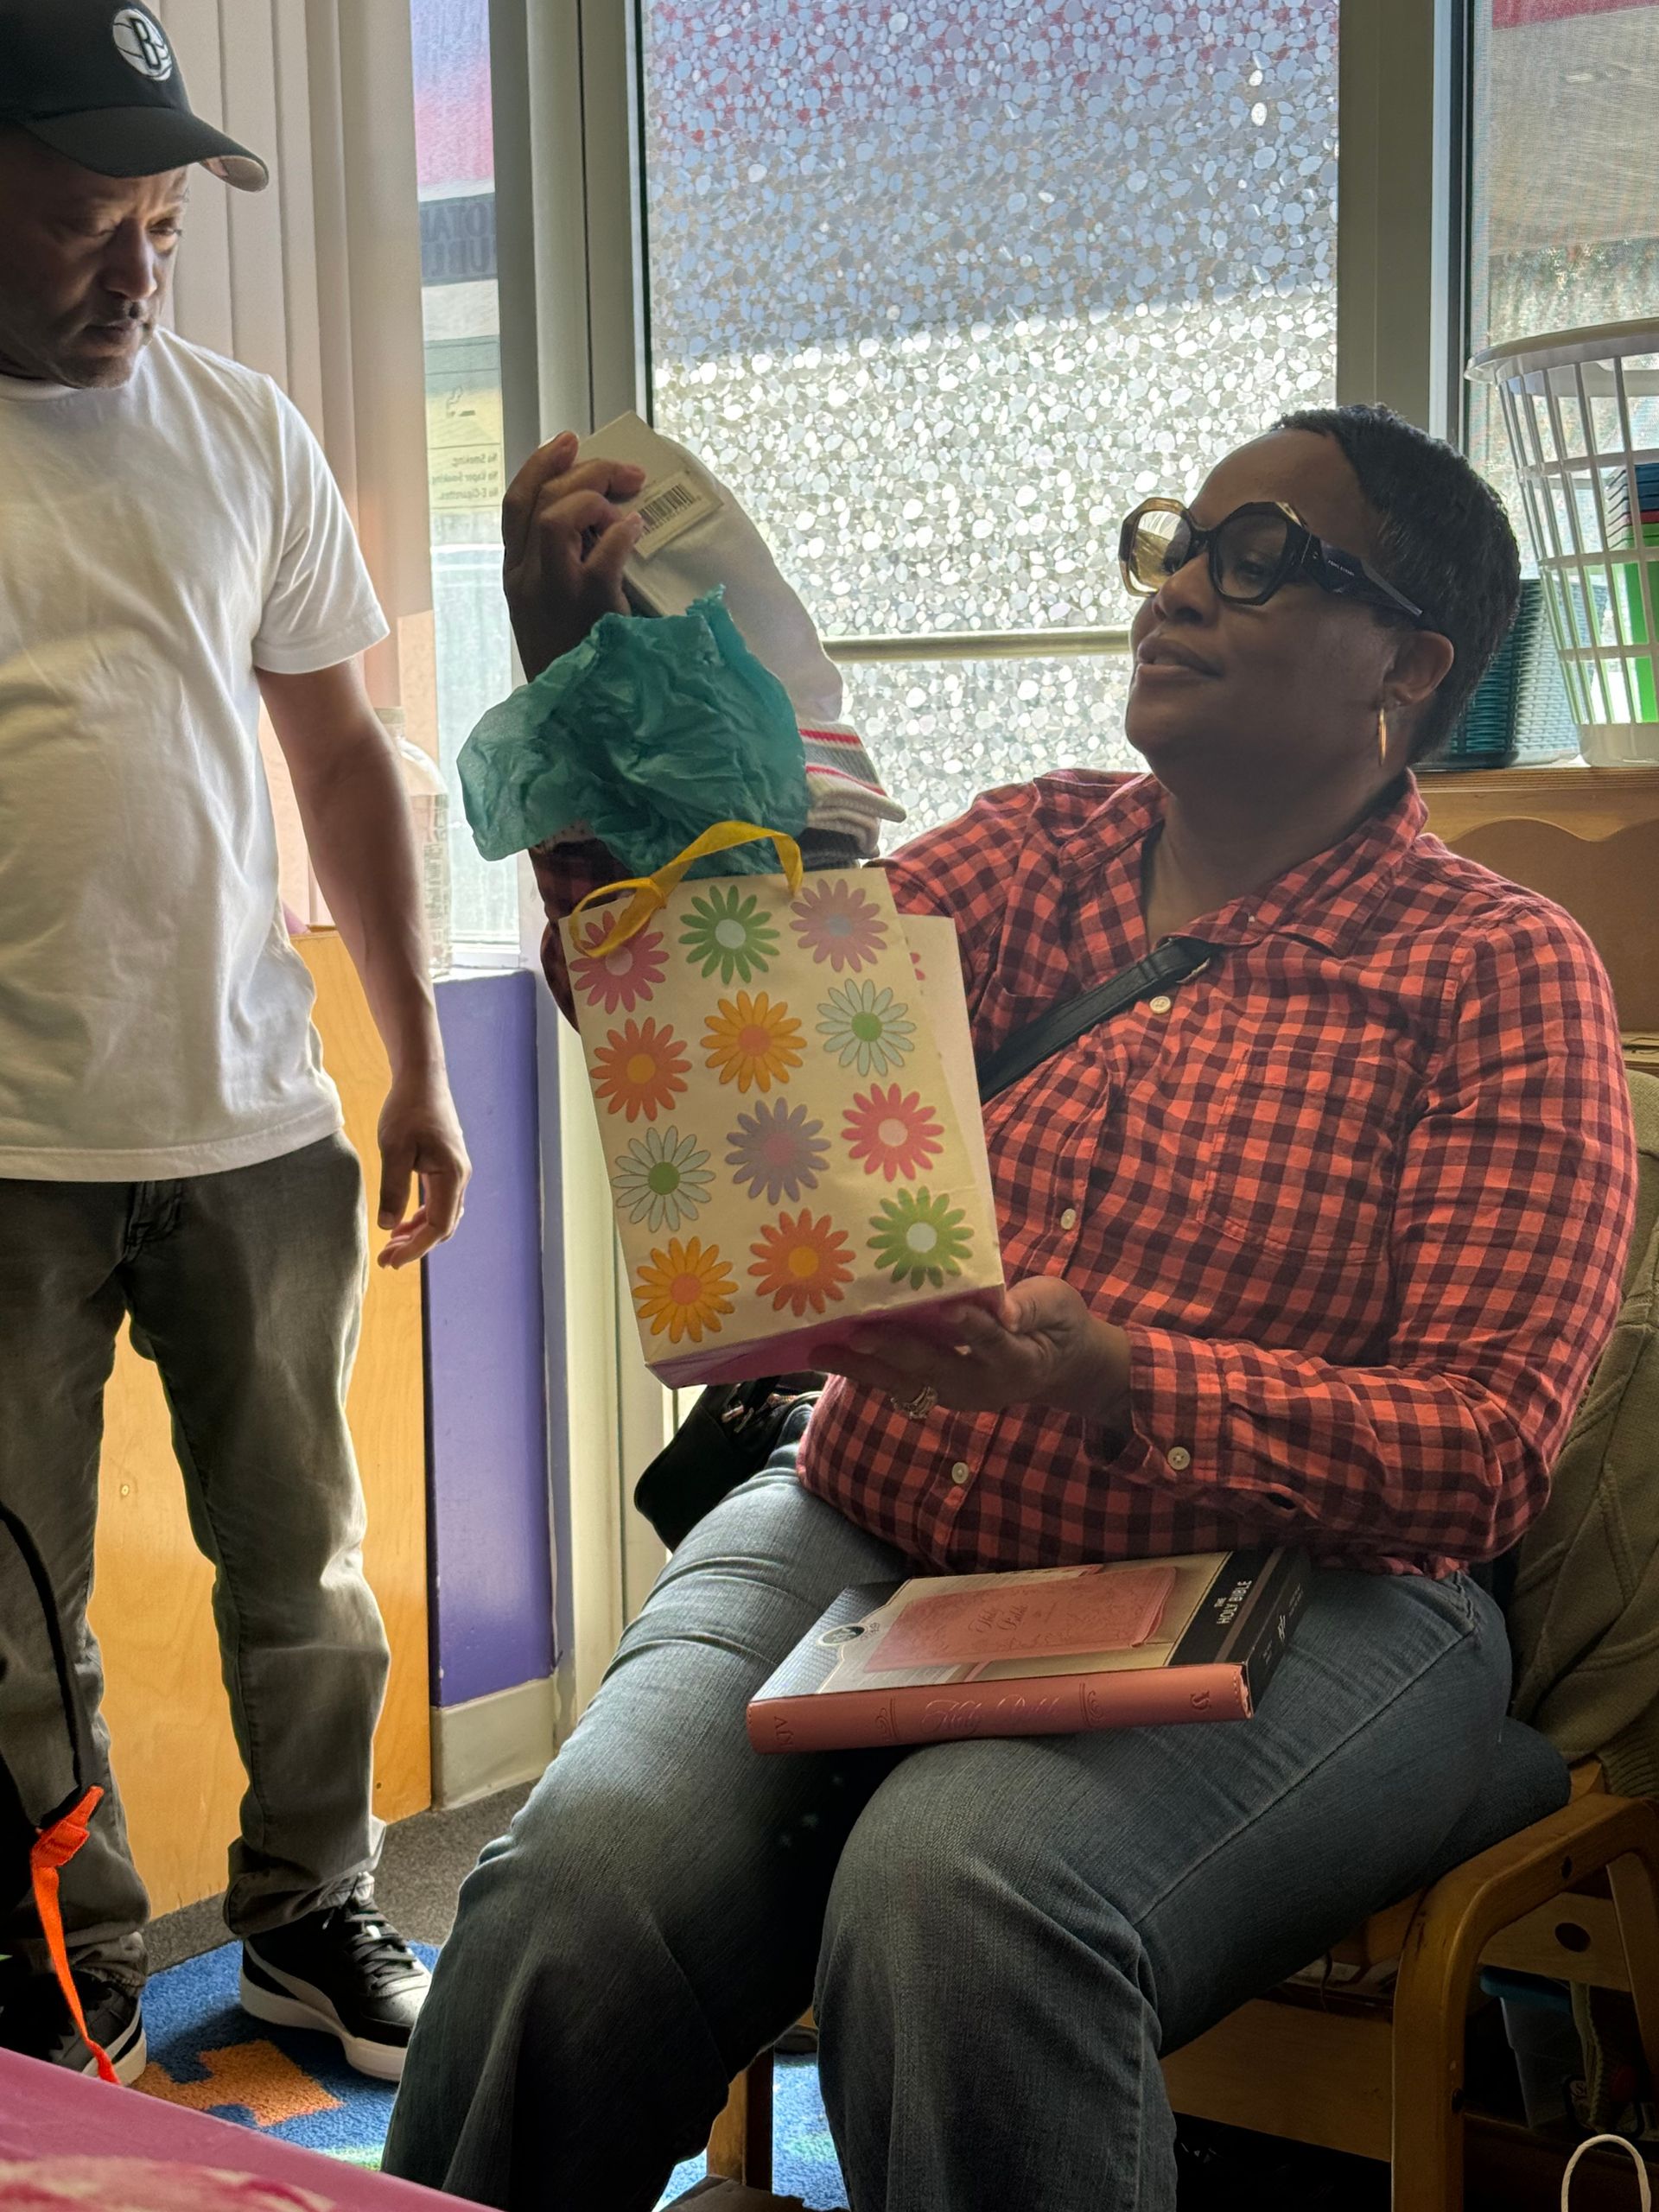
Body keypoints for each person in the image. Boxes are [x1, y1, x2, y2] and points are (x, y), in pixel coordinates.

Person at [383, 408, 1636, 2211]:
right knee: (572, 1887)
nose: (1183, 590)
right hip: (875, 1517)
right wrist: (602, 695)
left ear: (1413, 664)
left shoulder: (1497, 970)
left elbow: (1487, 1447)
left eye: (1261, 557)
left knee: (963, 1894)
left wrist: (1127, 1379)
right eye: (1177, 542)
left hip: (1310, 1581)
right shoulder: (1033, 856)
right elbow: (747, 1106)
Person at [0, 0, 469, 2087]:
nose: (135, 271)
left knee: (310, 1579)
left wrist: (417, 1057)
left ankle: (308, 1921)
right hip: (9, 1146)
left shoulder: (243, 430)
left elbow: (344, 754)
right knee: (14, 1638)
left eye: (162, 225)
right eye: (86, 218)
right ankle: (71, 1981)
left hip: (257, 1114)